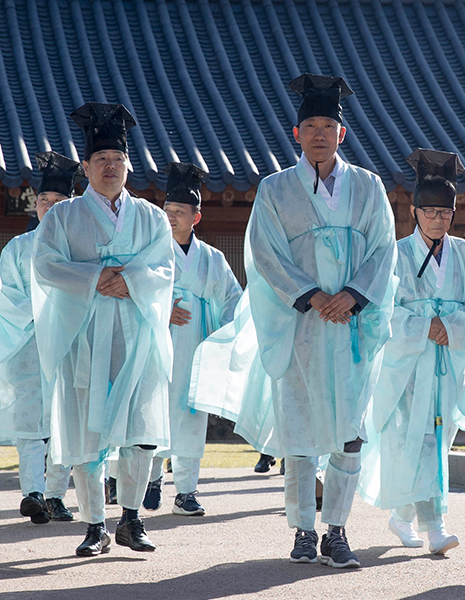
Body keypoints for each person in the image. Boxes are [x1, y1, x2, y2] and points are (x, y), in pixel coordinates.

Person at [191, 74, 397, 568]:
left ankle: (339, 529)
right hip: (301, 326)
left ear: (342, 134)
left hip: (351, 327)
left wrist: (350, 296)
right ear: (296, 132)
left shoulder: (368, 187)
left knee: (350, 432)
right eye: (311, 125)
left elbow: (383, 249)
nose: (320, 133)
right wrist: (310, 297)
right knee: (302, 434)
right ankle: (304, 530)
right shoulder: (275, 188)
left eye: (329, 124)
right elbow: (264, 252)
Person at [32, 102, 174, 556]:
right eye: (100, 160)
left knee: (139, 427)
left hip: (138, 333)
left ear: (128, 165)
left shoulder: (151, 216)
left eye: (117, 160)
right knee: (84, 432)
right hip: (85, 335)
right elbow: (47, 265)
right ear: (86, 167)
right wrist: (98, 279)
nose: (109, 167)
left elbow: (164, 268)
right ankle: (95, 526)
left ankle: (131, 519)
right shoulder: (62, 216)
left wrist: (126, 281)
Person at [0, 151, 85, 524]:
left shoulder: (80, 247)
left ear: (72, 206)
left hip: (69, 345)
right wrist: (40, 311)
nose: (51, 207)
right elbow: (6, 296)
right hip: (27, 345)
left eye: (60, 202)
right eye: (45, 201)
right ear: (36, 203)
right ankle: (33, 491)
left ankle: (56, 494)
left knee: (67, 418)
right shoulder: (18, 247)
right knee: (31, 421)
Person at [359, 149, 465, 555]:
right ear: (415, 211)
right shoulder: (396, 254)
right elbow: (382, 308)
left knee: (439, 437)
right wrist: (425, 326)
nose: (439, 219)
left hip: (448, 362)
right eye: (431, 211)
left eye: (446, 212)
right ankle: (435, 524)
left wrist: (451, 327)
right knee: (416, 439)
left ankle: (402, 516)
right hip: (407, 365)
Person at [143, 162, 241, 516]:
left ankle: (186, 491)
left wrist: (221, 335)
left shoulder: (212, 258)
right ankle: (151, 478)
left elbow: (233, 298)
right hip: (157, 343)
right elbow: (132, 290)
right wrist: (160, 308)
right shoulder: (150, 251)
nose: (171, 217)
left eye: (179, 212)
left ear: (195, 217)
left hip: (197, 345)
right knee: (154, 410)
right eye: (167, 210)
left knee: (190, 415)